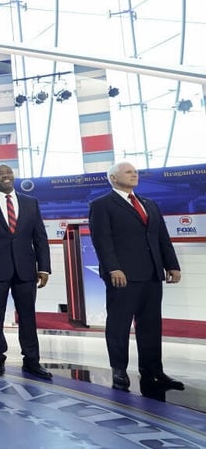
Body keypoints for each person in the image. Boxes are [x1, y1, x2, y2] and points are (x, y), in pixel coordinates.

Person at [88, 161, 183, 395]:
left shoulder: (149, 204)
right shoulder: (101, 205)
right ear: (113, 178)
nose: (134, 175)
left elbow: (161, 236)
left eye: (135, 172)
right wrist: (113, 268)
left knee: (151, 325)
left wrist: (171, 264)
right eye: (128, 172)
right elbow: (102, 240)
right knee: (119, 325)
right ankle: (119, 371)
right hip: (122, 275)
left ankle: (153, 370)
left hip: (152, 274)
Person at [0, 164, 53, 380]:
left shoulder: (30, 202)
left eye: (8, 173)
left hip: (26, 271)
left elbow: (40, 238)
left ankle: (32, 361)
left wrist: (44, 267)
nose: (5, 176)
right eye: (0, 174)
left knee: (28, 316)